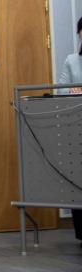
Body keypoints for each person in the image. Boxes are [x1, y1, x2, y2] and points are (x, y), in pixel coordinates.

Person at [58, 17, 82, 247]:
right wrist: (74, 91)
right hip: (76, 125)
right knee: (78, 179)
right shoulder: (72, 60)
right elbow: (62, 90)